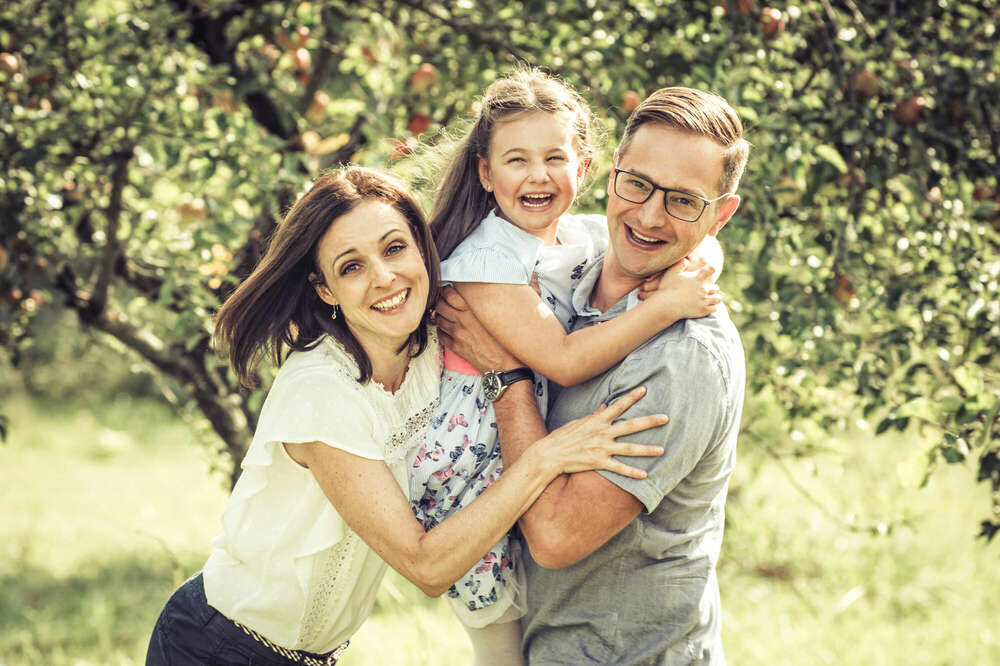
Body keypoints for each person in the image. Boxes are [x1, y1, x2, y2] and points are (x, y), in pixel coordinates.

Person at [145, 166, 670, 665]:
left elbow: (564, 239)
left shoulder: (434, 340)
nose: (384, 277)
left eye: (394, 248)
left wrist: (689, 261)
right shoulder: (321, 392)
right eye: (351, 267)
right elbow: (426, 565)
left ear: (421, 248)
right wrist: (545, 458)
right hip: (216, 646)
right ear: (324, 290)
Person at [410, 69, 723, 665]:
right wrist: (665, 307)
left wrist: (701, 261)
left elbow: (692, 237)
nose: (538, 175)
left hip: (512, 467)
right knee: (498, 638)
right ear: (485, 173)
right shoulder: (486, 261)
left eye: (554, 157)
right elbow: (566, 361)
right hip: (467, 471)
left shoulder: (577, 240)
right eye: (517, 160)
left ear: (585, 168)